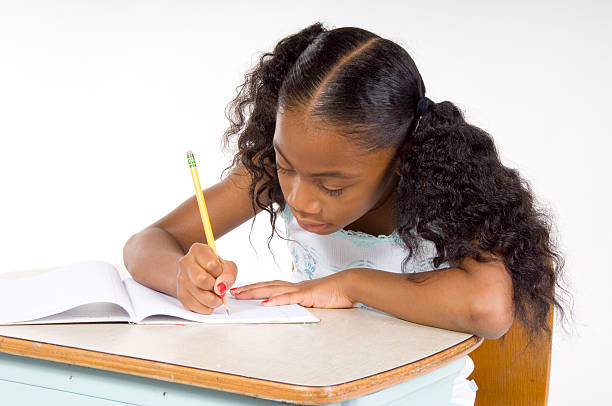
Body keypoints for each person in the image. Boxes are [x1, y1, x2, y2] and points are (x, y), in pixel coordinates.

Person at [123, 22, 567, 406]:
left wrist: (352, 284)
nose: (300, 198)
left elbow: (487, 308)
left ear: (402, 157)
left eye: (333, 186)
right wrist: (181, 273)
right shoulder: (283, 172)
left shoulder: (443, 200)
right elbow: (150, 240)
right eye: (285, 165)